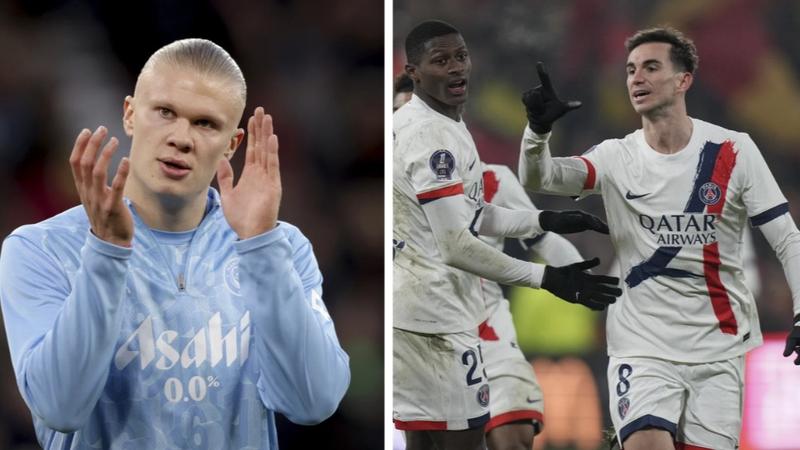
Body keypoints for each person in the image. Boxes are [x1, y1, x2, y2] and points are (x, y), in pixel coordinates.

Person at [0, 38, 350, 449]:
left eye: (205, 123)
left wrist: (261, 246)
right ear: (130, 115)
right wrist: (106, 253)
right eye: (165, 112)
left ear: (232, 144)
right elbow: (60, 409)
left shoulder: (279, 247)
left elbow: (313, 402)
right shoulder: (41, 249)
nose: (181, 138)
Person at [518, 27, 800, 450]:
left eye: (651, 67)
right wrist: (537, 133)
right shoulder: (616, 156)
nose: (636, 78)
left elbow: (786, 238)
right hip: (642, 346)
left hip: (719, 349)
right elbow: (540, 176)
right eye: (631, 70)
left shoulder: (734, 151)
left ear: (683, 79)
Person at [393, 20, 621, 450]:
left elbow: (524, 233)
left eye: (460, 57)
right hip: (430, 326)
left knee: (510, 434)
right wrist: (550, 279)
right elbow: (456, 243)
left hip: (488, 335)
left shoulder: (488, 176)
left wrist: (554, 238)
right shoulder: (415, 158)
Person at [478, 163, 586, 450]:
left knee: (516, 434)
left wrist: (584, 278)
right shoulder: (399, 183)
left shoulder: (494, 179)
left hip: (491, 337)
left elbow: (541, 236)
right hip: (427, 335)